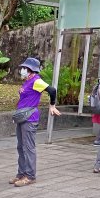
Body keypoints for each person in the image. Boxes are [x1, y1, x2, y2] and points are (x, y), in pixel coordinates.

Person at [10, 57, 61, 187]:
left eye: (25, 68)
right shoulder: (27, 81)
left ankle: (30, 176)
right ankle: (21, 173)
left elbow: (52, 90)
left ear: (31, 70)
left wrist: (52, 105)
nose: (22, 70)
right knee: (20, 147)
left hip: (30, 119)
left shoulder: (36, 81)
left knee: (28, 148)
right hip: (22, 117)